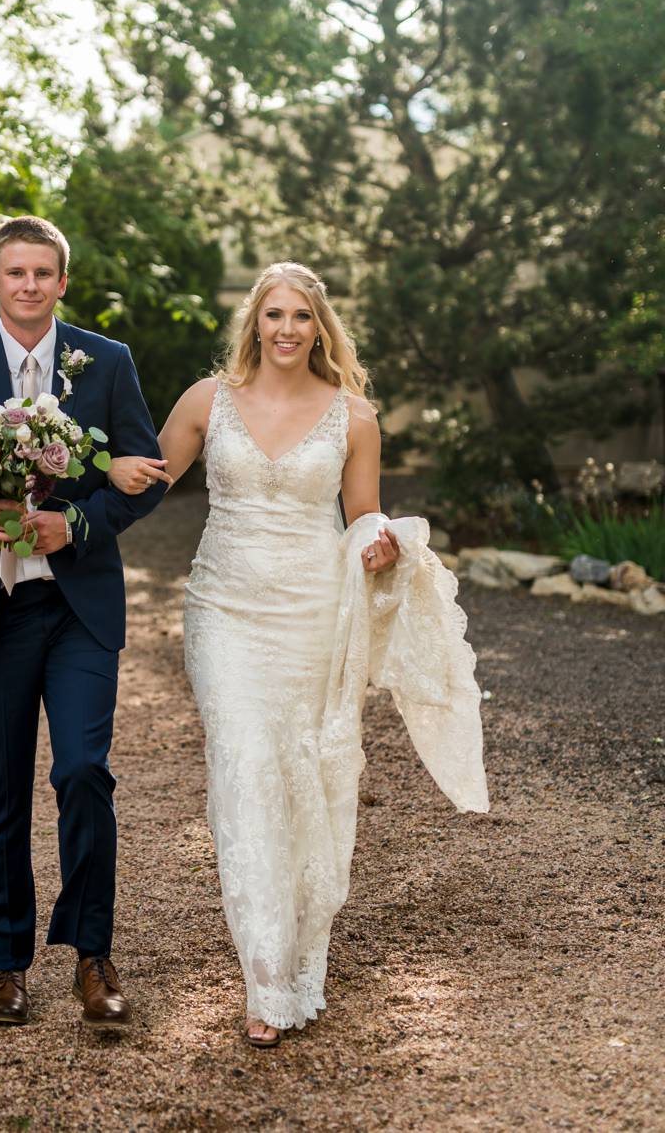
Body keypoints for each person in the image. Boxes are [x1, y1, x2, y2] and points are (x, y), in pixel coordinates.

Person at [107, 261, 488, 1046]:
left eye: (301, 317)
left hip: (314, 612)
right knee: (245, 763)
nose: (286, 329)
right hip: (225, 611)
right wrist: (105, 464)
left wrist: (379, 545)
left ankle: (301, 949)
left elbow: (363, 514)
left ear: (320, 327)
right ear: (254, 322)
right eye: (273, 315)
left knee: (306, 776)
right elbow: (147, 479)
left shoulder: (353, 415)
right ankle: (266, 980)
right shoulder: (207, 401)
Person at [0, 215, 169, 1029]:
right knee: (1, 785)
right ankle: (4, 965)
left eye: (42, 273)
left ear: (61, 282)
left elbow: (145, 476)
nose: (28, 285)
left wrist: (77, 523)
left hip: (80, 606)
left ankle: (93, 957)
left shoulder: (105, 361)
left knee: (83, 771)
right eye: (14, 272)